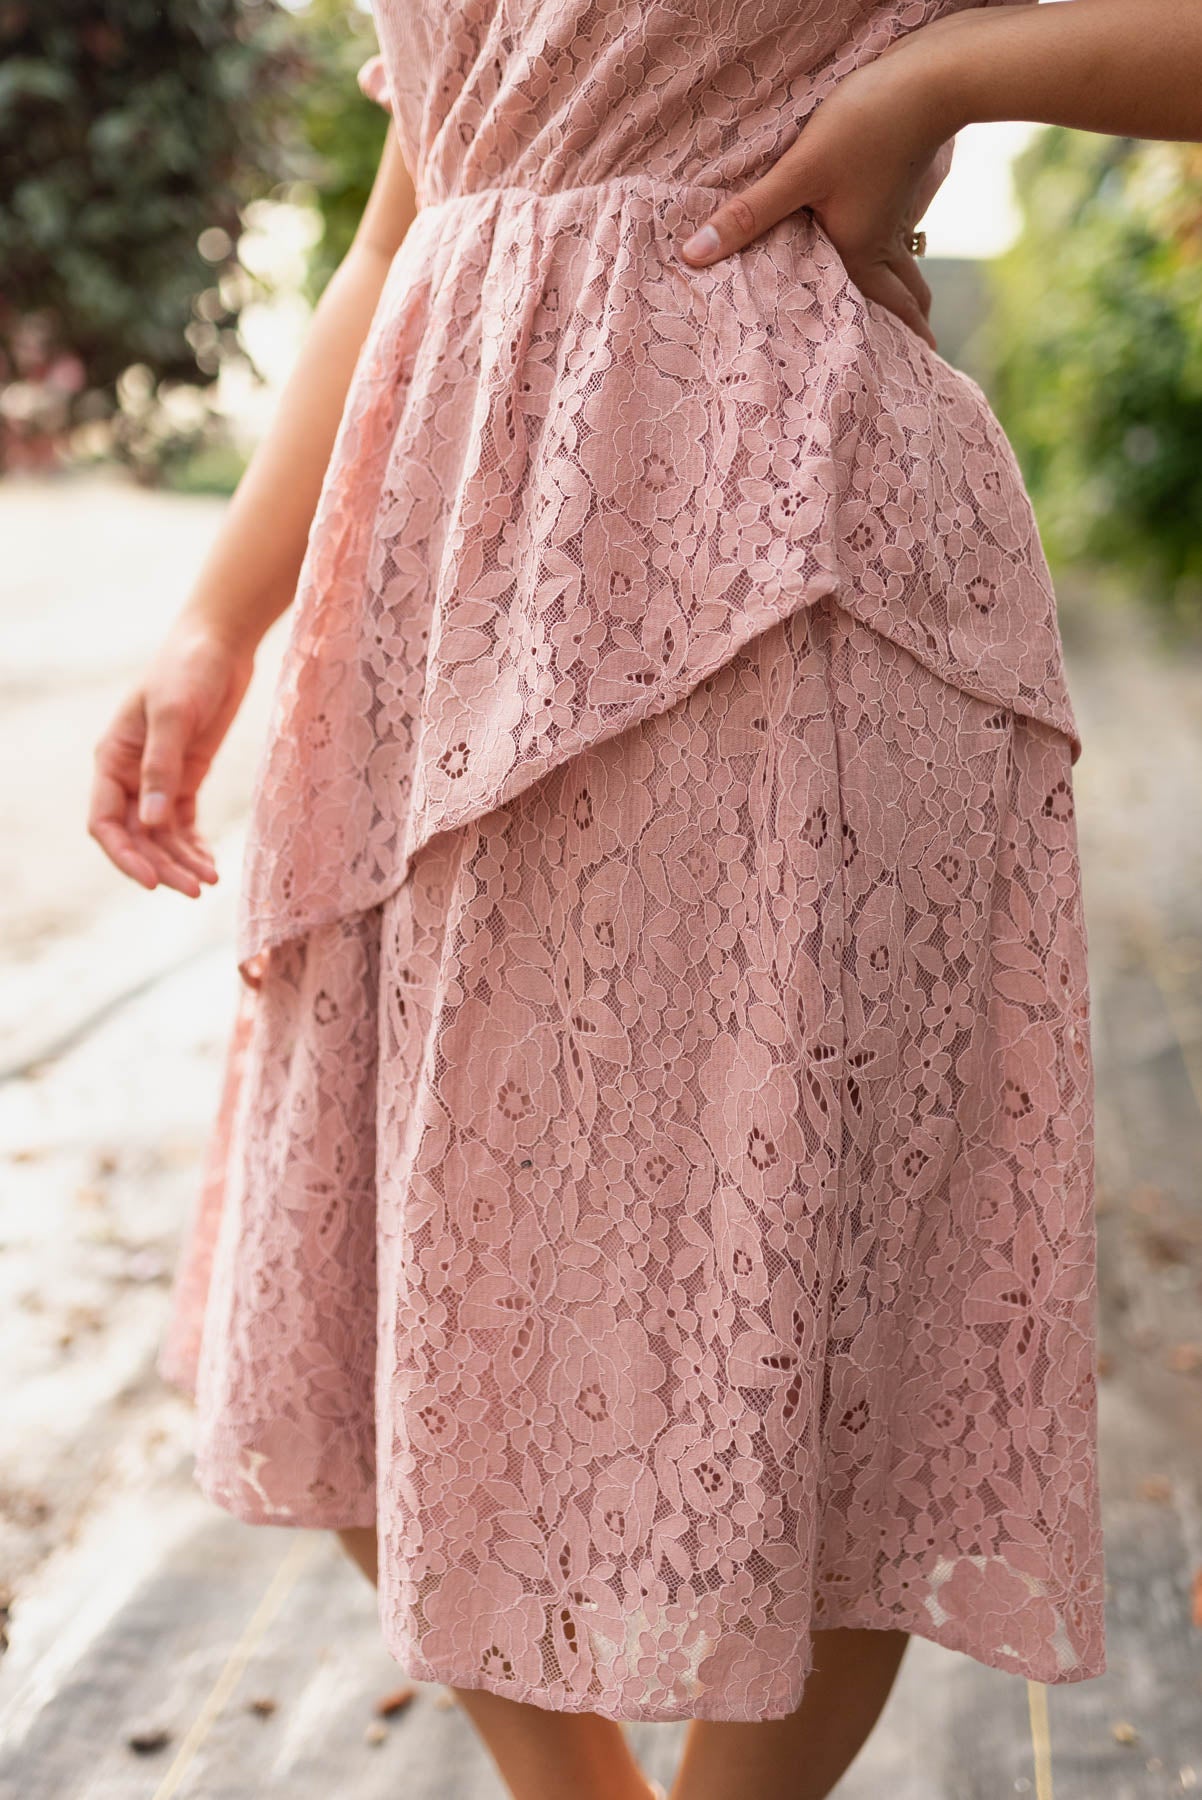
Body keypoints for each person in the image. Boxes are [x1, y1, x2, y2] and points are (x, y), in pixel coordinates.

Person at [87, 3, 1200, 1797]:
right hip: (431, 613)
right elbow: (408, 219)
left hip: (789, 581)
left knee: (825, 1313)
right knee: (361, 1255)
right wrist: (221, 619)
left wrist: (940, 75)